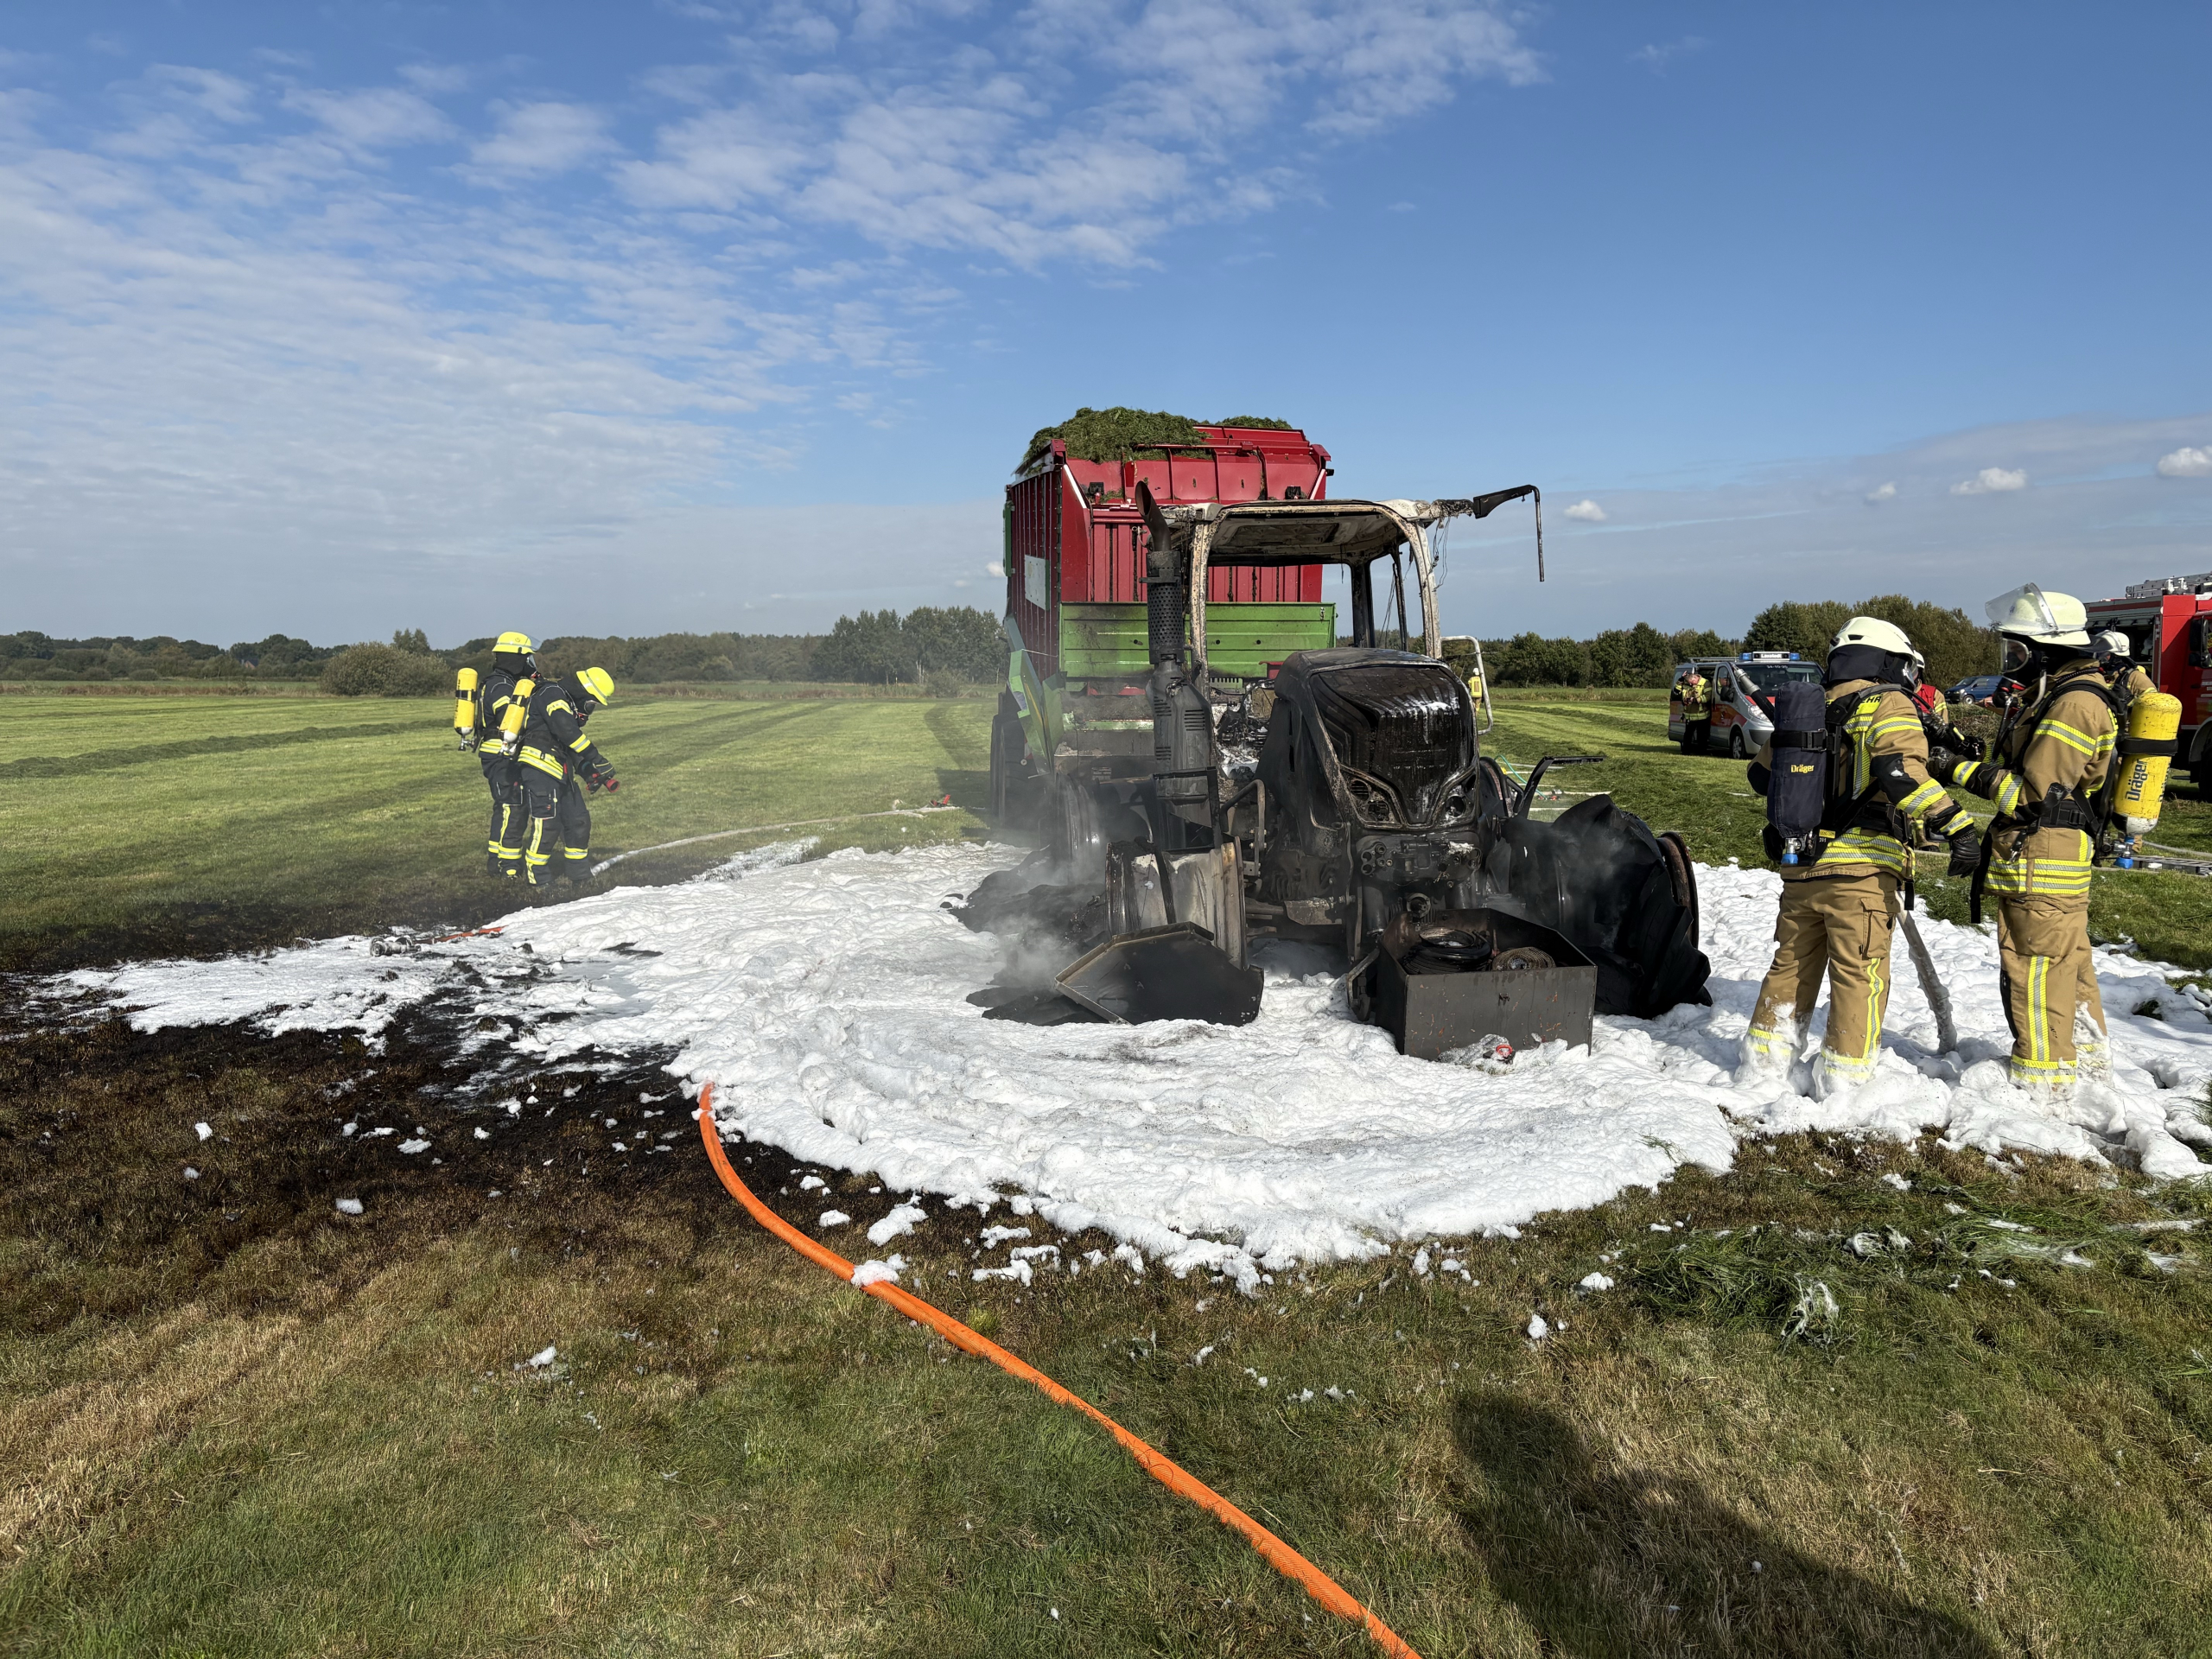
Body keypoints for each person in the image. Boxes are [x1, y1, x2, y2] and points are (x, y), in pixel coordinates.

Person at [1742, 618, 1980, 1093]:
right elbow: (1901, 773)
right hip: (1860, 872)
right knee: (1859, 973)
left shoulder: (1809, 707)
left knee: (1789, 965)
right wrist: (1958, 826)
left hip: (1801, 864)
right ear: (1890, 661)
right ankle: (1845, 1083)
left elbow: (1761, 777)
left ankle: (1762, 1066)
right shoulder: (1887, 702)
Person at [1934, 587, 2114, 1092]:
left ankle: (2044, 1086)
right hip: (2049, 856)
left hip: (2042, 857)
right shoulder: (2062, 694)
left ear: (2047, 650)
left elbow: (2032, 792)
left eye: (2018, 651)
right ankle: (2088, 1073)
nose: (2012, 661)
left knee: (2035, 972)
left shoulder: (2074, 704)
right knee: (2068, 968)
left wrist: (1955, 770)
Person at [518, 666, 620, 887]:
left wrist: (589, 772)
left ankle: (580, 875)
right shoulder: (553, 694)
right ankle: (539, 880)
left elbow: (569, 748)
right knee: (548, 824)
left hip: (559, 770)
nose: (589, 710)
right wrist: (596, 757)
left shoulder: (564, 701)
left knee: (578, 821)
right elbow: (567, 732)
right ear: (583, 693)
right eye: (591, 703)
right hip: (539, 766)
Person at [478, 631, 536, 879]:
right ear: (516, 658)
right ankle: (509, 867)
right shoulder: (502, 685)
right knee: (514, 806)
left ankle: (495, 860)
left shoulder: (496, 681)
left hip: (496, 753)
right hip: (501, 754)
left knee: (503, 807)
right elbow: (507, 719)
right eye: (526, 659)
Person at [2093, 630, 2156, 700]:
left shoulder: (2136, 678)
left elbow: (2152, 706)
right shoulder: (2096, 676)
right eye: (2098, 654)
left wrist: (2129, 700)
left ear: (2117, 656)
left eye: (2103, 654)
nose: (2099, 658)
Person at [1675, 664, 1711, 754]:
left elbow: (1707, 698)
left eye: (1692, 683)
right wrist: (1680, 680)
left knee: (1702, 736)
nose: (1691, 685)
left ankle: (1701, 752)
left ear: (1695, 679)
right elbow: (1676, 691)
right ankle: (1686, 752)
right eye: (1689, 683)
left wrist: (1695, 700)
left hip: (1702, 714)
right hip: (1689, 715)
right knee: (1688, 735)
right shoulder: (1686, 683)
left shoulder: (1705, 683)